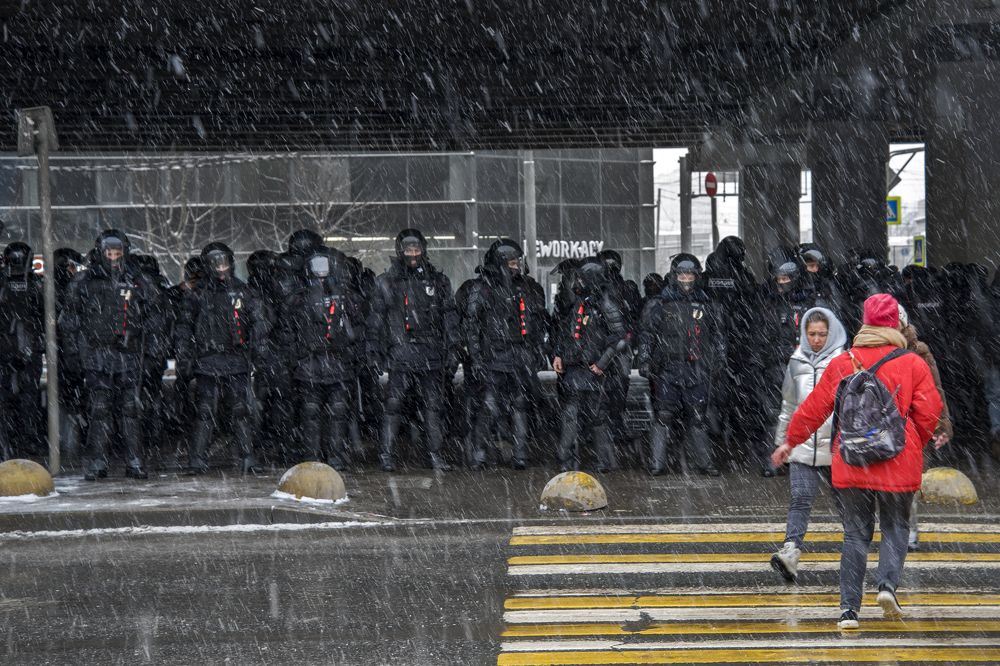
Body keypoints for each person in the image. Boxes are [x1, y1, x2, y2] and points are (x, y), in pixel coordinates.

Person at [772, 293, 943, 630]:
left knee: (855, 535)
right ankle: (887, 587)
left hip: (852, 459)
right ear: (895, 323)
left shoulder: (844, 361)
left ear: (864, 323)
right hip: (898, 460)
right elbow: (929, 412)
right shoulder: (912, 363)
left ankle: (848, 611)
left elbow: (814, 409)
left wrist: (789, 442)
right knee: (896, 527)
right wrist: (913, 443)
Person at [59, 231, 164, 479]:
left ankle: (134, 460)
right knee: (100, 410)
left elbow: (156, 318)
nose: (114, 258)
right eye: (109, 253)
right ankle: (98, 462)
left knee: (130, 410)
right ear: (101, 253)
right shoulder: (84, 281)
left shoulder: (139, 281)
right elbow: (70, 320)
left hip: (128, 355)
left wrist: (152, 351)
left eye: (118, 254)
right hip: (97, 355)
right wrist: (73, 353)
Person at [174, 242, 271, 474]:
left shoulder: (244, 291)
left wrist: (259, 353)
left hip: (236, 359)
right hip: (207, 361)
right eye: (216, 264)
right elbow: (184, 329)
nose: (221, 268)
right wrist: (184, 358)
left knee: (240, 411)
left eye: (225, 263)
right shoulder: (197, 295)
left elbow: (259, 324)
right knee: (205, 412)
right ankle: (197, 460)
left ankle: (248, 458)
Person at [368, 229, 459, 472]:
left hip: (430, 354)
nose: (413, 254)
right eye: (408, 250)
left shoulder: (438, 281)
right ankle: (386, 454)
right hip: (401, 353)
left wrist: (453, 348)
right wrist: (374, 350)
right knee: (394, 405)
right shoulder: (387, 281)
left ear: (424, 250)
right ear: (400, 251)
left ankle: (434, 454)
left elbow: (449, 317)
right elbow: (376, 319)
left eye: (417, 250)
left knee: (433, 406)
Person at [770, 307, 847, 581]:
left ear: (832, 333)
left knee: (847, 506)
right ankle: (791, 552)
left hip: (836, 448)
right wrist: (783, 443)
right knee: (800, 499)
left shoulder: (844, 362)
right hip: (803, 446)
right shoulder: (796, 362)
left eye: (822, 334)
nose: (816, 339)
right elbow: (788, 405)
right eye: (811, 334)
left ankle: (855, 553)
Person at [463, 239, 548, 469]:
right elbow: (471, 326)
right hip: (494, 357)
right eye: (512, 262)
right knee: (489, 406)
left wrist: (538, 350)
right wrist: (477, 358)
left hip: (520, 355)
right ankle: (479, 454)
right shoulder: (482, 288)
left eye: (517, 262)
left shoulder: (528, 287)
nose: (517, 266)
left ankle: (520, 454)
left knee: (520, 406)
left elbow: (538, 322)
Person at [637, 254, 724, 476]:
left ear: (697, 276)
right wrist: (645, 359)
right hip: (668, 368)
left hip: (697, 368)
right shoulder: (659, 303)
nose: (686, 279)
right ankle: (657, 463)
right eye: (682, 274)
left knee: (697, 417)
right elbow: (647, 335)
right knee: (663, 415)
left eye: (690, 274)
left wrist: (719, 360)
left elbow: (718, 336)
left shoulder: (707, 303)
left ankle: (704, 462)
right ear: (675, 276)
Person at [281, 248, 364, 470]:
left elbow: (359, 327)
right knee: (311, 411)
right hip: (310, 363)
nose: (321, 272)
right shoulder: (298, 298)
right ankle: (312, 457)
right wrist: (295, 357)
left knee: (339, 410)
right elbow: (288, 331)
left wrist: (355, 353)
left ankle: (336, 456)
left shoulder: (346, 295)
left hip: (337, 361)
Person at [551, 258, 629, 472]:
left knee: (597, 418)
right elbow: (565, 332)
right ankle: (566, 462)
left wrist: (602, 363)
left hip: (596, 372)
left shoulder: (607, 304)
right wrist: (558, 354)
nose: (577, 281)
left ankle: (602, 462)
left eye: (581, 277)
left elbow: (620, 338)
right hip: (573, 368)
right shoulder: (577, 302)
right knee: (570, 417)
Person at [898, 304, 952, 551]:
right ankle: (893, 529)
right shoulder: (872, 350)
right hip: (886, 426)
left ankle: (909, 531)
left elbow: (935, 389)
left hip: (915, 428)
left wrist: (942, 424)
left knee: (910, 484)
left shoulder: (920, 352)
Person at [0, 242, 44, 460]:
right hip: (11, 349)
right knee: (15, 401)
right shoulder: (35, 285)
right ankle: (14, 444)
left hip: (26, 349)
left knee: (26, 401)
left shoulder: (37, 285)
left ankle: (22, 444)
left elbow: (46, 317)